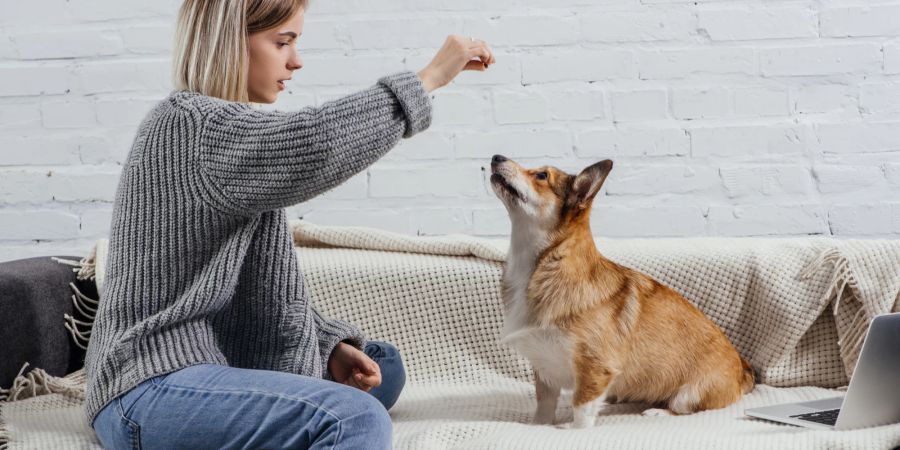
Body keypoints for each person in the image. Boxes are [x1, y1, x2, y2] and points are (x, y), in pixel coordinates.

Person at [85, 0, 495, 448]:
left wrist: (326, 346)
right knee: (353, 419)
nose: (296, 61)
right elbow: (317, 143)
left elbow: (255, 293)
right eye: (283, 43)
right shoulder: (191, 126)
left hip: (205, 358)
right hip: (146, 385)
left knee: (383, 366)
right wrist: (428, 79)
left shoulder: (230, 134)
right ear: (228, 43)